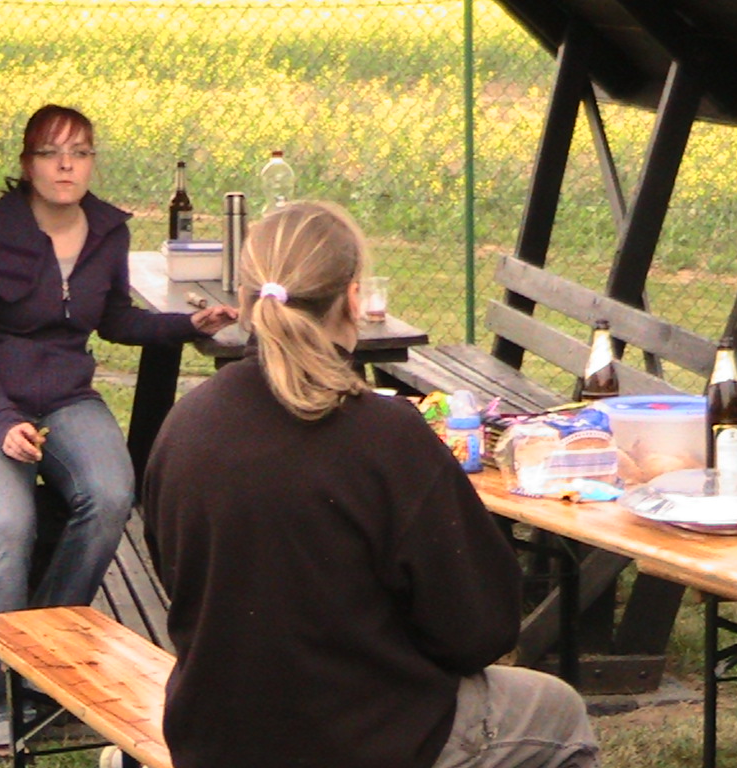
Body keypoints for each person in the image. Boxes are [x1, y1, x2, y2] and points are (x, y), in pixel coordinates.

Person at [142, 200, 599, 768]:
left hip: (214, 739)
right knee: (557, 710)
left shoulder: (187, 422)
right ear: (353, 299)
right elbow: (480, 631)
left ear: (244, 297)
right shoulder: (385, 435)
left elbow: (177, 579)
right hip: (364, 739)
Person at [0, 104, 237, 757]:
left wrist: (189, 325)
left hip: (66, 397)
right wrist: (1, 421)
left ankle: (39, 652)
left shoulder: (107, 231)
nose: (66, 165)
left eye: (79, 152)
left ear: (92, 161)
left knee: (111, 493)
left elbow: (116, 319)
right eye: (51, 153)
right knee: (8, 523)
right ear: (28, 164)